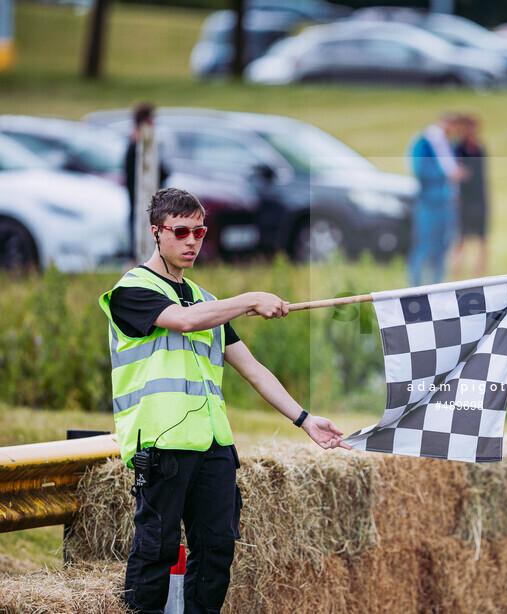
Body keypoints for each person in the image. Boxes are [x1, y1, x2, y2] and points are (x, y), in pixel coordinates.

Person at [99, 188, 350, 613]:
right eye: (181, 232)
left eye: (199, 231)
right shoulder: (131, 290)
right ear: (157, 233)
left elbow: (252, 369)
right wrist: (250, 299)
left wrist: (304, 419)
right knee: (156, 550)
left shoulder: (208, 302)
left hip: (214, 446)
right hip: (162, 445)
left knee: (216, 551)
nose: (193, 240)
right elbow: (182, 320)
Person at [405, 113, 467, 286]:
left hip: (448, 203)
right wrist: (448, 175)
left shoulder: (449, 144)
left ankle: (437, 286)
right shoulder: (423, 143)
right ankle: (415, 287)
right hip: (429, 203)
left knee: (443, 247)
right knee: (424, 247)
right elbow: (420, 170)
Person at [124, 103, 168, 263]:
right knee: (138, 243)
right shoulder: (140, 146)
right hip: (140, 202)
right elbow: (162, 171)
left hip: (136, 202)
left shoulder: (133, 143)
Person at [451, 113, 489, 279]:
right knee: (461, 236)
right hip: (464, 198)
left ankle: (479, 271)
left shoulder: (479, 148)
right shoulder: (458, 149)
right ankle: (457, 269)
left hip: (479, 196)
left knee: (482, 236)